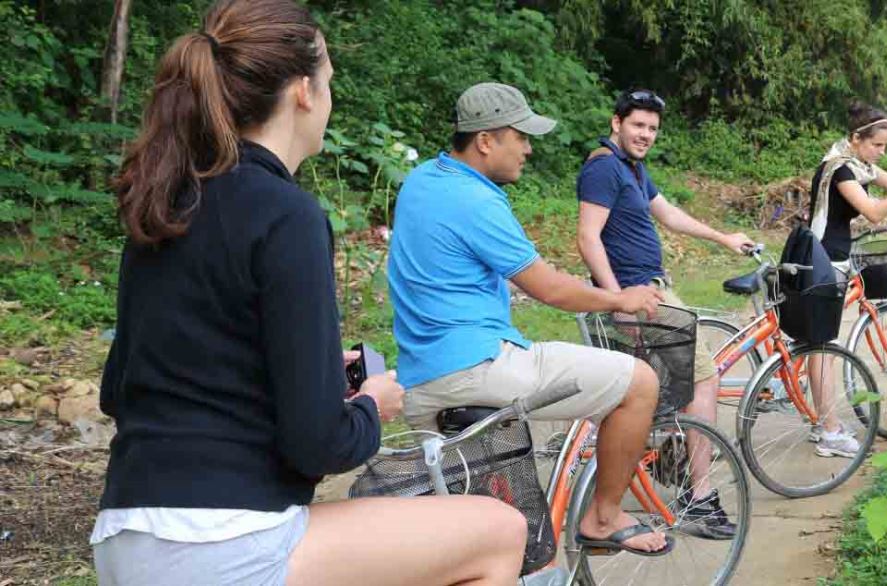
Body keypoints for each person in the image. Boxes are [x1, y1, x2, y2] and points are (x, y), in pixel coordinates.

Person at [93, 2, 529, 584]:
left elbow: (119, 391)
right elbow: (319, 446)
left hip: (125, 534)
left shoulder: (164, 204)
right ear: (303, 91)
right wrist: (372, 406)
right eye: (329, 81)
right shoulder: (287, 215)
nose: (329, 96)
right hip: (225, 542)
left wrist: (312, 375)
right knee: (500, 530)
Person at [388, 82, 672, 556]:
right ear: (486, 140)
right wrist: (620, 298)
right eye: (520, 136)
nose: (528, 147)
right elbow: (549, 288)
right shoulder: (477, 201)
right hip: (478, 369)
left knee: (486, 533)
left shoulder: (422, 180)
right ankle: (604, 518)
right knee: (640, 383)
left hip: (421, 383)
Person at [575, 89, 753, 538]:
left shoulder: (631, 168)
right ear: (617, 122)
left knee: (654, 389)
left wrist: (723, 238)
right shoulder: (602, 167)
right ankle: (699, 495)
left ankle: (668, 454)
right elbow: (588, 237)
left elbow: (669, 215)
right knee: (702, 376)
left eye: (653, 129)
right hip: (638, 295)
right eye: (638, 125)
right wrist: (616, 299)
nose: (646, 135)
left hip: (650, 289)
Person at [803, 102, 887, 457]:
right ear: (856, 139)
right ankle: (829, 432)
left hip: (827, 257)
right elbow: (876, 213)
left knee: (819, 348)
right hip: (824, 261)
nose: (881, 153)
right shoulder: (841, 171)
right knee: (822, 351)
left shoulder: (857, 163)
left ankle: (822, 422)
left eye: (885, 146)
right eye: (877, 145)